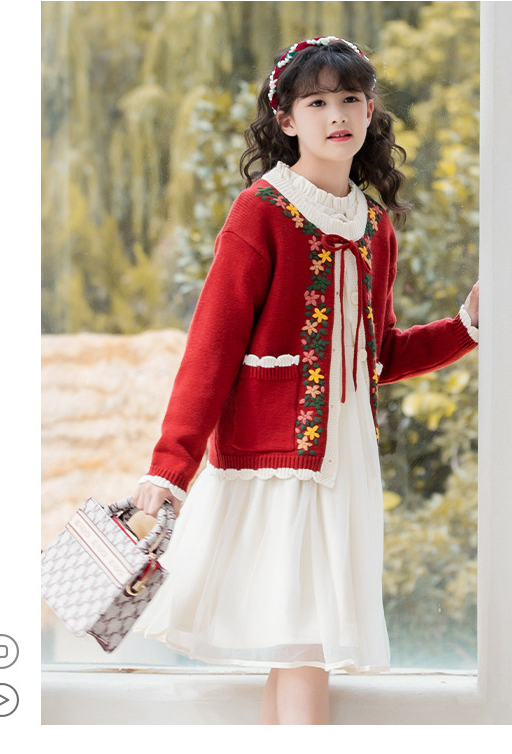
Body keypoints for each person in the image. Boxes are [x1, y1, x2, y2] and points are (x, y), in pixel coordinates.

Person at [131, 36, 479, 725]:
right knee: (306, 645)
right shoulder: (261, 211)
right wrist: (170, 467)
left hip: (346, 461)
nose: (336, 115)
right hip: (277, 463)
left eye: (350, 99)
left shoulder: (374, 226)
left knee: (300, 648)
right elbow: (211, 349)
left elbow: (378, 355)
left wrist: (466, 326)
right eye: (316, 102)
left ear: (370, 111)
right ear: (287, 120)